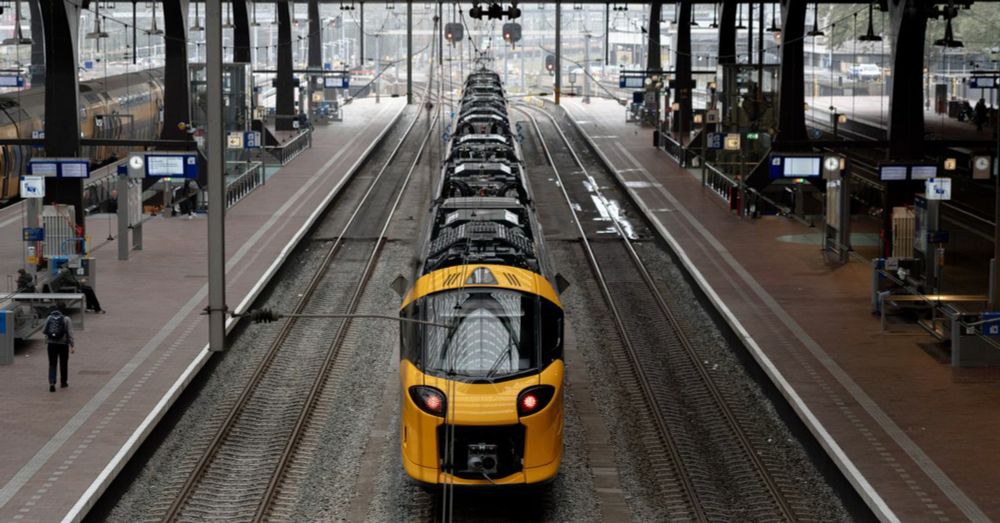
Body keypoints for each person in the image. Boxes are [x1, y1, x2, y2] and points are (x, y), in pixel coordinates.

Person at [43, 306, 74, 392]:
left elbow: (44, 330)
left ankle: (52, 382)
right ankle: (63, 382)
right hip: (63, 344)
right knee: (63, 363)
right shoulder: (66, 319)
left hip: (51, 344)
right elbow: (70, 333)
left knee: (52, 363)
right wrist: (72, 345)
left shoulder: (49, 317)